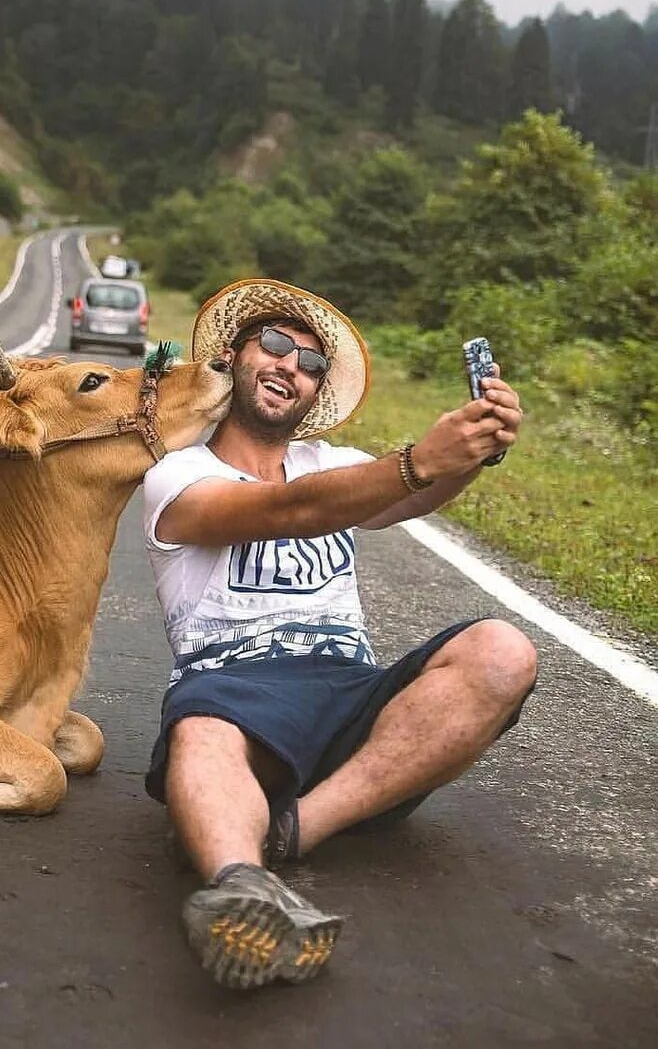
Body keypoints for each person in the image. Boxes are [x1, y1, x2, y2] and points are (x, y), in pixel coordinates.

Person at [141, 278, 535, 991]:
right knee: (202, 728)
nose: (293, 366)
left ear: (314, 393)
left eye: (312, 364)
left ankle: (288, 831)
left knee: (504, 651)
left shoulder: (336, 466)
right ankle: (242, 888)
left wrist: (476, 448)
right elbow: (292, 511)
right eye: (278, 346)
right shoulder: (178, 475)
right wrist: (418, 459)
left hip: (348, 689)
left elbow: (410, 491)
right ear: (233, 356)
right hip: (236, 692)